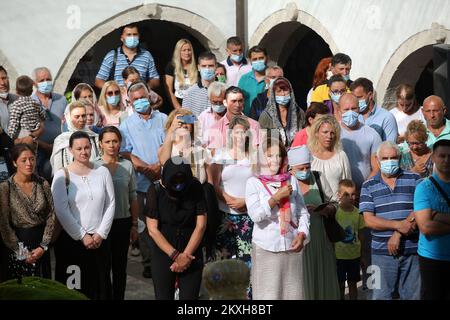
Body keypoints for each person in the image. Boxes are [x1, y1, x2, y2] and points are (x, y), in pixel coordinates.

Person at [51, 131, 115, 300]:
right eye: (78, 148)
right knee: (75, 290)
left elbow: (110, 204)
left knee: (100, 287)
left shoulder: (102, 171)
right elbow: (61, 210)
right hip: (72, 243)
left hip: (99, 242)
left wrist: (101, 234)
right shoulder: (62, 175)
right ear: (70, 150)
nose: (83, 152)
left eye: (87, 147)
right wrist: (82, 235)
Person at [245, 137, 310, 300]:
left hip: (291, 246)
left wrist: (302, 234)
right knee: (269, 296)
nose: (275, 160)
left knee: (293, 295)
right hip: (266, 248)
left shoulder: (291, 180)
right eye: (269, 156)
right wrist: (275, 198)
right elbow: (256, 216)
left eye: (278, 155)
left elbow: (302, 212)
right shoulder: (253, 183)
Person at [360, 141, 421, 300]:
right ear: (378, 160)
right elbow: (369, 220)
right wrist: (398, 225)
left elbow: (421, 210)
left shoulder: (415, 179)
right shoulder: (368, 186)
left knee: (413, 296)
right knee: (379, 296)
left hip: (412, 250)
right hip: (380, 253)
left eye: (393, 158)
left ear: (400, 158)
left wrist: (398, 234)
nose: (389, 161)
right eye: (385, 158)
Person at [119, 81, 167, 278]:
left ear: (150, 96)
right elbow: (126, 152)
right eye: (135, 99)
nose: (140, 102)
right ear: (130, 102)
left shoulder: (164, 119)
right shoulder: (126, 125)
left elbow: (171, 145)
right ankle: (148, 262)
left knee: (163, 221)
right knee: (144, 225)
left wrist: (159, 166)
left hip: (164, 180)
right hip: (141, 181)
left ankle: (164, 256)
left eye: (142, 97)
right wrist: (145, 168)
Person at [146, 157, 207, 300]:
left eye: (182, 180)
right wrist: (176, 256)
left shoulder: (195, 188)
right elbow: (153, 230)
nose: (178, 185)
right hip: (163, 251)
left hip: (191, 251)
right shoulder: (155, 190)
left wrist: (185, 256)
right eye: (174, 180)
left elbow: (201, 225)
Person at [288, 145, 340, 300]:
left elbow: (334, 203)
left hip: (321, 240)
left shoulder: (318, 177)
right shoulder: (286, 183)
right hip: (298, 242)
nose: (305, 171)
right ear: (291, 168)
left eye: (307, 167)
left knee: (324, 279)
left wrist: (324, 210)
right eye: (301, 168)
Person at [94, 126, 139, 300]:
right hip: (100, 224)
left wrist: (134, 225)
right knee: (102, 267)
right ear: (100, 144)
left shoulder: (127, 165)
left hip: (122, 222)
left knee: (120, 267)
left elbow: (133, 196)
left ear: (120, 143)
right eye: (107, 141)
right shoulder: (94, 166)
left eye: (115, 141)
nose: (111, 145)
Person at [0, 144, 55, 280]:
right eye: (23, 160)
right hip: (17, 244)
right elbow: (4, 223)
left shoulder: (43, 184)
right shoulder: (5, 187)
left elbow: (51, 215)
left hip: (41, 244)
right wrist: (22, 252)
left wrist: (43, 246)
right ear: (14, 162)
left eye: (32, 159)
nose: (29, 163)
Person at [210, 115, 254, 267]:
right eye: (236, 132)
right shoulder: (221, 155)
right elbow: (213, 184)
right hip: (225, 214)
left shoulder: (254, 157)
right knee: (224, 259)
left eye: (243, 132)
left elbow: (260, 185)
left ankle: (247, 291)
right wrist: (227, 199)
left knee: (247, 260)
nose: (240, 136)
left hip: (248, 215)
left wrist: (246, 202)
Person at [414, 139, 450, 300]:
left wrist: (438, 215)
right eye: (442, 156)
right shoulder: (424, 187)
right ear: (434, 158)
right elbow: (425, 227)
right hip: (432, 258)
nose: (446, 160)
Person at [95, 23, 160, 90]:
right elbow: (99, 81)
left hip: (139, 98)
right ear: (122, 38)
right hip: (119, 98)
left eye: (135, 34)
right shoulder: (112, 55)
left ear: (139, 36)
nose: (132, 37)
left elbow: (155, 79)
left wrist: (144, 88)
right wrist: (115, 90)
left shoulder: (146, 55)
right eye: (128, 35)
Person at [339, 93, 381, 190]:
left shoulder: (372, 134)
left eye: (353, 108)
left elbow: (376, 168)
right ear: (339, 110)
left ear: (359, 109)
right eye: (346, 109)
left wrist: (363, 188)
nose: (350, 112)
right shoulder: (333, 133)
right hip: (339, 192)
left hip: (366, 189)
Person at [31, 67, 67, 181]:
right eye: (41, 80)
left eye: (48, 79)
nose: (46, 82)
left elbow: (67, 123)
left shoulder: (61, 99)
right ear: (34, 83)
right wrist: (46, 146)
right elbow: (28, 132)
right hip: (39, 150)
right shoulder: (30, 102)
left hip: (61, 149)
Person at [159, 109, 210, 184]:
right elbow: (164, 162)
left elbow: (210, 181)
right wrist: (171, 129)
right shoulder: (167, 149)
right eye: (179, 123)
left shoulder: (202, 151)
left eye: (187, 122)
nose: (183, 125)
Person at [335, 179, 365, 300]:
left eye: (353, 194)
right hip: (339, 257)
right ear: (339, 195)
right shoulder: (335, 213)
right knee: (340, 285)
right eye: (346, 194)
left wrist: (362, 256)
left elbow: (361, 235)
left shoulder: (358, 213)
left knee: (353, 284)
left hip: (354, 256)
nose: (351, 197)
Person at [50, 101, 100, 174]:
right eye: (77, 116)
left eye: (83, 116)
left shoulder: (94, 137)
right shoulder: (61, 140)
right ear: (69, 118)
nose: (81, 119)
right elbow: (58, 169)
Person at [308, 115, 352, 196]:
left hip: (336, 206)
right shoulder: (308, 156)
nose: (329, 136)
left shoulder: (341, 156)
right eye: (325, 132)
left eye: (332, 133)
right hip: (314, 206)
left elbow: (347, 185)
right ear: (316, 133)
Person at [258, 77, 305, 147]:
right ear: (273, 94)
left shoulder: (299, 112)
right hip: (275, 153)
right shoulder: (266, 115)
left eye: (285, 90)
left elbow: (304, 134)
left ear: (291, 92)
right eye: (279, 91)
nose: (283, 94)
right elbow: (263, 141)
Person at [350, 77, 398, 142]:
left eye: (359, 97)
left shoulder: (386, 117)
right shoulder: (352, 116)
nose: (355, 101)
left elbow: (390, 146)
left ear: (370, 95)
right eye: (354, 98)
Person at [7, 75, 45, 143]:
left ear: (16, 91)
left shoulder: (17, 104)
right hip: (35, 134)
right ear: (31, 91)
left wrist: (8, 139)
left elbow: (14, 123)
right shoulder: (35, 103)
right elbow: (43, 115)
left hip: (23, 134)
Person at [164, 39, 198, 109]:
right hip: (178, 104)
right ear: (178, 52)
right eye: (184, 50)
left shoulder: (197, 66)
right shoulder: (171, 66)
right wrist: (179, 108)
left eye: (189, 50)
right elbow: (169, 91)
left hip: (195, 105)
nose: (187, 53)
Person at [182, 51, 217, 117]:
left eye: (211, 66)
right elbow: (186, 118)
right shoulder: (189, 93)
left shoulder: (224, 90)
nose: (207, 69)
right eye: (204, 66)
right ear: (198, 67)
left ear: (216, 67)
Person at [238, 46, 268, 116]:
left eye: (261, 58)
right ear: (250, 61)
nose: (258, 61)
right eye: (255, 59)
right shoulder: (244, 79)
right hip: (248, 121)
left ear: (267, 58)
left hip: (268, 121)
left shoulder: (273, 77)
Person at [198, 81, 227, 146]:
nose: (218, 105)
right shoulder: (203, 117)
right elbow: (197, 140)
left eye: (221, 102)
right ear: (209, 99)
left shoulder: (235, 116)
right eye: (215, 102)